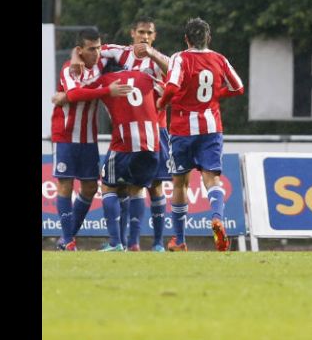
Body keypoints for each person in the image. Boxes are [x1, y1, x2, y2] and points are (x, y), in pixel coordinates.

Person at [65, 17, 172, 252]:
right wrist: (75, 56)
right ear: (133, 33)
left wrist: (152, 54)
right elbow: (92, 50)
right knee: (136, 187)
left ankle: (141, 242)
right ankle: (132, 242)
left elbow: (172, 71)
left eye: (149, 33)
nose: (144, 37)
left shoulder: (157, 59)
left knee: (150, 186)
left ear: (154, 36)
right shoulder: (120, 53)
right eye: (141, 32)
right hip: (147, 134)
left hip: (154, 129)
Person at [156, 18, 244, 252]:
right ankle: (217, 218)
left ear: (186, 39)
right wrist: (216, 95)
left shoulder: (180, 58)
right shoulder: (219, 58)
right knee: (212, 179)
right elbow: (238, 87)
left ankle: (179, 239)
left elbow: (173, 86)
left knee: (180, 183)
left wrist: (162, 102)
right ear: (209, 38)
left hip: (183, 128)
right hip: (211, 127)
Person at [50, 29, 131, 251]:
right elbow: (74, 94)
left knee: (88, 188)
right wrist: (107, 90)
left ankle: (67, 238)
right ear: (80, 50)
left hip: (89, 138)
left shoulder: (101, 62)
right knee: (65, 184)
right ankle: (68, 240)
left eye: (98, 47)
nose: (96, 53)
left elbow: (123, 53)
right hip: (66, 135)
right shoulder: (70, 68)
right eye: (91, 49)